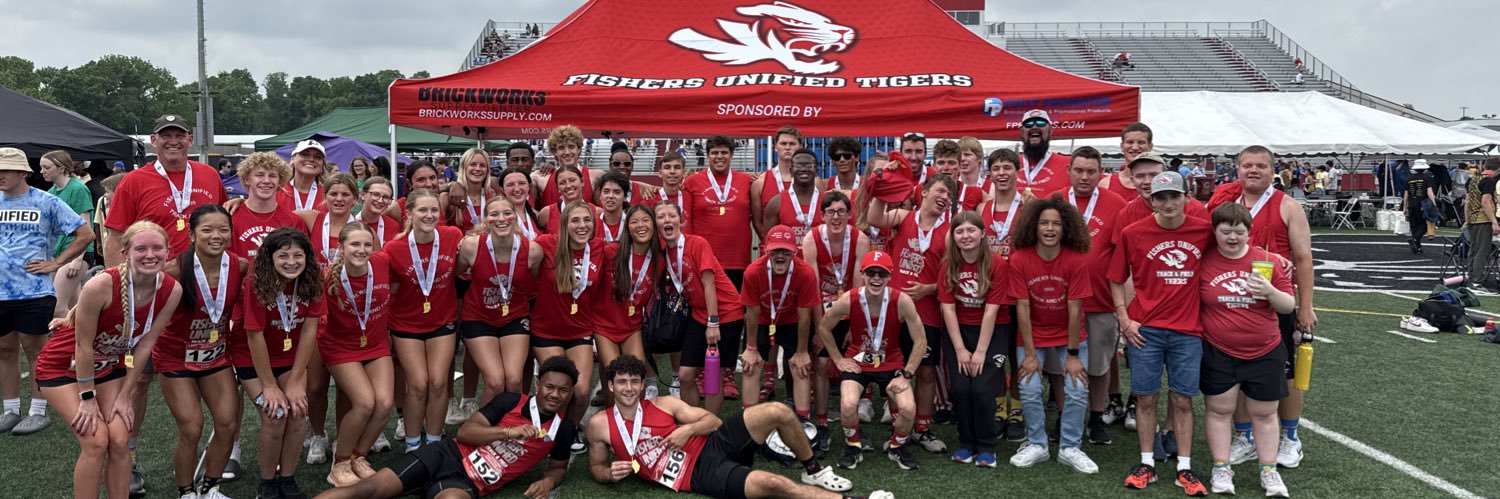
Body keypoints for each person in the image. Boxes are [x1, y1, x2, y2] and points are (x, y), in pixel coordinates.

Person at [34, 221, 181, 499]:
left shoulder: (171, 290)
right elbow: (83, 345)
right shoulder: (101, 284)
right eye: (141, 249)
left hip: (109, 368)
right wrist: (87, 398)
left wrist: (127, 395)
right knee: (96, 441)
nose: (150, 254)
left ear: (168, 251)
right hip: (62, 367)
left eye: (157, 248)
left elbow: (146, 344)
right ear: (125, 253)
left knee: (120, 438)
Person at [587, 355, 868, 498]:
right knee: (772, 483)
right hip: (697, 473)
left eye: (634, 381)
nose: (628, 388)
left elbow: (714, 421)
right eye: (621, 382)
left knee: (778, 410)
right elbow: (596, 467)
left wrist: (686, 430)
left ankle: (814, 470)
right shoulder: (600, 424)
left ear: (641, 384)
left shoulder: (663, 404)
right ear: (611, 386)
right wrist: (608, 474)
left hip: (712, 443)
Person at [315, 356, 582, 499]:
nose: (555, 394)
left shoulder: (565, 429)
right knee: (366, 491)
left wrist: (548, 481)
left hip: (466, 483)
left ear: (570, 393)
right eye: (549, 387)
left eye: (563, 390)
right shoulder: (510, 401)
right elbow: (466, 432)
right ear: (538, 384)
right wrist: (508, 432)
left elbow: (558, 468)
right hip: (444, 456)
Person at [1209, 146, 1317, 471]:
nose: (1253, 171)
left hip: (1276, 305)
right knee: (1238, 374)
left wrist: (1306, 306)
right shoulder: (1229, 207)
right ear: (1237, 171)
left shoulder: (1287, 205)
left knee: (1285, 374)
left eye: (1260, 166)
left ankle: (1290, 438)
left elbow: (1303, 258)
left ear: (1273, 171)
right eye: (1247, 166)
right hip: (1235, 304)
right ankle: (1246, 437)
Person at [1110, 171, 1213, 495]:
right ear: (1151, 200)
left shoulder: (1204, 230)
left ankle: (1184, 466)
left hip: (1188, 330)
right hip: (1146, 331)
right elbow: (1115, 277)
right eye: (1161, 197)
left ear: (1186, 197)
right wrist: (1124, 318)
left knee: (1183, 400)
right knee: (1146, 398)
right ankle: (1147, 463)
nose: (1169, 203)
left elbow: (1235, 248)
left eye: (1175, 196)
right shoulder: (1133, 232)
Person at [1198, 203, 1295, 498]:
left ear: (1248, 233)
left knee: (1265, 413)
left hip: (1264, 349)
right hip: (1219, 349)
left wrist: (1270, 292)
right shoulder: (1203, 260)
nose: (1232, 238)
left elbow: (1288, 305)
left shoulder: (1266, 260)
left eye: (1239, 232)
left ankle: (1269, 471)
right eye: (1225, 231)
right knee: (1219, 410)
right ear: (1214, 231)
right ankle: (1221, 467)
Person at [0, 147, 96, 437]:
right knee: (4, 350)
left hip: (34, 291)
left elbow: (85, 234)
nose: (1, 175)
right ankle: (10, 409)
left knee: (35, 351)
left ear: (22, 172)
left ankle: (38, 411)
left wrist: (56, 262)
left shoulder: (46, 201)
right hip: (1, 293)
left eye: (6, 169)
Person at [154, 205, 245, 499]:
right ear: (192, 234)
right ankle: (186, 492)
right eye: (207, 230)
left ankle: (210, 487)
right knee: (192, 427)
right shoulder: (173, 271)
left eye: (223, 229)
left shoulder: (240, 266)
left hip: (216, 356)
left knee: (228, 423)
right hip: (175, 358)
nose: (216, 236)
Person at [1005, 196, 1097, 474]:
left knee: (1077, 388)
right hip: (1033, 333)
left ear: (1065, 228)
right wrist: (1031, 355)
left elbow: (1075, 309)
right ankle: (1037, 444)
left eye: (1056, 223)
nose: (1049, 228)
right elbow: (1022, 309)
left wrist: (1072, 355)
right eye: (1044, 222)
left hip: (1069, 335)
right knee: (1029, 388)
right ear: (1033, 226)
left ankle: (1070, 447)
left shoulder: (1076, 260)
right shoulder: (1020, 259)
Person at [867, 170, 953, 454]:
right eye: (940, 191)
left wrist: (929, 289)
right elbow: (873, 218)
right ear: (924, 191)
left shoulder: (950, 230)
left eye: (949, 195)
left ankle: (924, 428)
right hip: (895, 309)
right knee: (895, 368)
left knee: (926, 371)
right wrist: (882, 186)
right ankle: (900, 425)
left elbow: (951, 274)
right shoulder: (903, 217)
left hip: (927, 311)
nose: (944, 198)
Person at [238, 228, 326, 499]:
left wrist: (298, 381)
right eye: (283, 255)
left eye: (298, 255)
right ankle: (267, 482)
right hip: (252, 358)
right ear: (270, 257)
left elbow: (309, 332)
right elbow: (254, 336)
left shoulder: (312, 279)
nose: (291, 262)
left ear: (307, 258)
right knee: (275, 414)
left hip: (289, 358)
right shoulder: (256, 282)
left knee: (299, 409)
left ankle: (287, 479)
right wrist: (269, 386)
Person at [820, 251, 927, 471]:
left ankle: (896, 446)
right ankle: (853, 445)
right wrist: (839, 359)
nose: (876, 278)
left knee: (908, 407)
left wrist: (907, 374)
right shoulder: (849, 298)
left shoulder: (902, 300)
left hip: (891, 360)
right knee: (848, 403)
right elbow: (823, 327)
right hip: (858, 360)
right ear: (862, 274)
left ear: (890, 277)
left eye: (882, 273)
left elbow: (920, 341)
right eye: (871, 272)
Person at [1055, 147, 1130, 447]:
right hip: (1059, 300)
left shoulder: (1116, 203)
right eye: (1079, 170)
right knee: (1060, 364)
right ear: (1069, 171)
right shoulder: (1057, 202)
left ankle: (1096, 416)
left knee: (1099, 365)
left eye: (1091, 171)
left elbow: (1123, 254)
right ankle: (1063, 416)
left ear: (1101, 173)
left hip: (1100, 299)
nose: (1085, 177)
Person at [384, 190, 463, 453]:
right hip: (406, 324)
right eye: (422, 210)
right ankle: (412, 444)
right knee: (417, 384)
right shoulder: (394, 248)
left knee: (439, 382)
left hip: (442, 320)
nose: (429, 215)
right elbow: (389, 288)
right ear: (410, 214)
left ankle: (434, 441)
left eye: (434, 211)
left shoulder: (452, 236)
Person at [320, 221, 397, 486]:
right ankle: (339, 463)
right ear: (341, 247)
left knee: (385, 403)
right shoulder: (327, 277)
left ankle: (358, 456)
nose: (362, 250)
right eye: (354, 244)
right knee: (365, 403)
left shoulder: (383, 261)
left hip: (375, 345)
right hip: (341, 348)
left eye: (367, 244)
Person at [655, 201, 746, 415]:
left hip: (725, 314)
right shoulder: (663, 251)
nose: (667, 220)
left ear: (682, 220)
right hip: (699, 313)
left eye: (671, 215)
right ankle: (695, 420)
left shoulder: (697, 243)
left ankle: (710, 425)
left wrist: (713, 323)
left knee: (714, 375)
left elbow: (709, 284)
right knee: (686, 375)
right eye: (661, 217)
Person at [531, 200, 607, 453]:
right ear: (564, 224)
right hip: (546, 331)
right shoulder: (547, 244)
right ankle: (551, 427)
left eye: (587, 220)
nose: (582, 225)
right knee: (560, 386)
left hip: (579, 331)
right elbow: (518, 250)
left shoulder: (599, 249)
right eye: (575, 220)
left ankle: (569, 428)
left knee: (582, 390)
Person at [936, 211, 1009, 468]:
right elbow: (948, 309)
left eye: (971, 230)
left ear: (982, 234)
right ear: (953, 237)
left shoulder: (997, 264)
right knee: (960, 389)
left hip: (992, 332)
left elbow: (992, 310)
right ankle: (966, 443)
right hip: (959, 331)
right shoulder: (948, 265)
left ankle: (987, 446)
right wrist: (959, 349)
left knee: (980, 389)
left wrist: (979, 351)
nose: (965, 236)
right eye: (959, 231)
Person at [104, 114, 227, 265]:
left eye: (180, 135)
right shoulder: (133, 181)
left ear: (190, 140)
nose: (173, 141)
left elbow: (225, 223)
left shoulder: (210, 175)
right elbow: (116, 237)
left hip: (207, 275)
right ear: (154, 140)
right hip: (153, 275)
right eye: (166, 136)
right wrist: (116, 282)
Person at [456, 196, 544, 404]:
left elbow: (535, 284)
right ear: (486, 220)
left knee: (513, 381)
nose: (502, 218)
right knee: (495, 382)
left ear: (515, 217)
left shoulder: (532, 251)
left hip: (514, 316)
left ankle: (511, 428)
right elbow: (455, 274)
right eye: (494, 214)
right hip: (478, 317)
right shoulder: (471, 246)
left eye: (507, 213)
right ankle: (484, 431)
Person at [800, 190, 869, 445]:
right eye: (831, 212)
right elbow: (813, 286)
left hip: (850, 307)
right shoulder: (811, 238)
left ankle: (855, 420)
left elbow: (859, 285)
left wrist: (855, 325)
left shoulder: (860, 238)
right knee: (820, 363)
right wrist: (820, 328)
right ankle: (821, 422)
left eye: (841, 211)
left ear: (850, 215)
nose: (836, 217)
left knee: (854, 361)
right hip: (823, 308)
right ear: (822, 215)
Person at [739, 225, 820, 415]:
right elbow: (751, 313)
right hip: (763, 321)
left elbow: (804, 315)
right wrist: (751, 349)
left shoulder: (805, 272)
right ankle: (749, 422)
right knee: (751, 365)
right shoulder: (753, 272)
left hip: (792, 321)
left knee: (800, 366)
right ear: (766, 250)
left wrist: (801, 352)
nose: (780, 255)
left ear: (795, 252)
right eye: (775, 250)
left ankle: (803, 423)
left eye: (786, 251)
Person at [597, 204, 661, 405]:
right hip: (603, 325)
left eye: (645, 221)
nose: (640, 226)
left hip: (632, 325)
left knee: (637, 373)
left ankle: (634, 421)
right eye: (634, 222)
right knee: (614, 372)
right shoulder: (612, 252)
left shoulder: (659, 259)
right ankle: (611, 419)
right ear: (627, 228)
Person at [684, 135, 755, 286]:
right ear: (708, 155)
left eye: (724, 152)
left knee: (736, 307)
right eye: (715, 153)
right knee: (705, 307)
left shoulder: (747, 181)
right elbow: (686, 219)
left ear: (731, 155)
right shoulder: (692, 182)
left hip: (737, 260)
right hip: (704, 258)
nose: (719, 157)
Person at [40, 150, 96, 318]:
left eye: (46, 167)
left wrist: (78, 259)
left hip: (76, 254)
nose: (41, 171)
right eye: (41, 167)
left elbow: (86, 225)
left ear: (61, 168)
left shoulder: (78, 189)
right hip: (59, 254)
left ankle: (64, 343)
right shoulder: (50, 193)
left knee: (58, 307)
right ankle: (83, 340)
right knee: (75, 307)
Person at [231, 152, 310, 259]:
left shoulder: (294, 221)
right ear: (247, 179)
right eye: (259, 175)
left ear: (280, 181)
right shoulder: (231, 216)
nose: (266, 181)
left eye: (272, 176)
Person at [752, 126, 804, 239]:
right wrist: (769, 244)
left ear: (800, 146)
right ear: (775, 147)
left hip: (803, 249)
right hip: (772, 249)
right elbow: (757, 221)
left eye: (792, 144)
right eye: (783, 143)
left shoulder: (811, 182)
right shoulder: (760, 182)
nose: (787, 147)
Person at [766, 149, 825, 242]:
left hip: (819, 257)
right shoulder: (775, 203)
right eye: (798, 165)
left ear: (816, 171)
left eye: (809, 165)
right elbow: (769, 242)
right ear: (791, 171)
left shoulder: (827, 202)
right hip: (789, 257)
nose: (803, 169)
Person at [537, 125, 599, 207]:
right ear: (555, 152)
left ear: (579, 149)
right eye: (561, 147)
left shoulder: (595, 177)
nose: (567, 152)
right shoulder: (541, 178)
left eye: (571, 146)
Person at [1015, 110, 1072, 195]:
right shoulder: (1010, 163)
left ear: (1050, 130)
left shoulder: (1069, 163)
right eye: (1028, 124)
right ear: (1022, 132)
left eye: (1040, 123)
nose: (1034, 127)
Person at [982, 149, 1024, 259]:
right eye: (996, 168)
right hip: (989, 274)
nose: (1001, 173)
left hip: (1017, 274)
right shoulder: (981, 209)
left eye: (1007, 168)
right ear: (990, 174)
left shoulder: (1028, 208)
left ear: (1017, 173)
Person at [446, 148, 500, 235]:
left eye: (482, 165)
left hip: (488, 247)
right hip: (460, 247)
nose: (478, 169)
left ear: (487, 170)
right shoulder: (451, 196)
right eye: (473, 164)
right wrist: (451, 185)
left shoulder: (492, 195)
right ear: (464, 167)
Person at [1463, 163, 1499, 283]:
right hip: (1483, 219)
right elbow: (1485, 203)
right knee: (1482, 252)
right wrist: (1494, 221)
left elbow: (1467, 201)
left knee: (1473, 250)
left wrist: (1467, 219)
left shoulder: (1472, 180)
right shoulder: (1489, 181)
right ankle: (1477, 280)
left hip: (1473, 219)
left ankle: (1472, 277)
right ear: (1497, 170)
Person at [1099, 123, 1152, 202]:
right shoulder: (1105, 184)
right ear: (1122, 146)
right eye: (1130, 142)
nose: (1135, 147)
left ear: (1150, 147)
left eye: (1141, 142)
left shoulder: (1159, 182)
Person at [535, 165, 592, 234]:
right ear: (558, 188)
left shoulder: (597, 212)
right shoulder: (547, 213)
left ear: (582, 181)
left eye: (572, 180)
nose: (568, 186)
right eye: (562, 183)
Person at [932, 140, 985, 211]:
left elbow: (997, 205)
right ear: (934, 166)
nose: (946, 168)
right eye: (941, 163)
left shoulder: (973, 192)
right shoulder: (922, 189)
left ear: (960, 166)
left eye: (951, 163)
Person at [282, 140, 330, 213]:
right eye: (305, 154)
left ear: (322, 164)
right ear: (293, 158)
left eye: (318, 157)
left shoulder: (329, 195)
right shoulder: (277, 191)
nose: (311, 159)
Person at [651, 152, 694, 234]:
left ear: (683, 173)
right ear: (660, 173)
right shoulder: (650, 198)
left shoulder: (690, 197)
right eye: (667, 167)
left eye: (677, 167)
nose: (672, 171)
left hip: (687, 245)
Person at [355, 176, 401, 250]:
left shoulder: (393, 226)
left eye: (386, 197)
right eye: (375, 194)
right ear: (363, 195)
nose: (380, 200)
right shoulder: (350, 222)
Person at [1406, 160, 1437, 253]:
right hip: (1423, 205)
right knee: (1423, 225)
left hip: (1411, 204)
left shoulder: (1409, 179)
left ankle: (1418, 246)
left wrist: (1404, 207)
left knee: (1414, 226)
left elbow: (1406, 194)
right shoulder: (1428, 179)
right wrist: (1434, 203)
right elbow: (1429, 191)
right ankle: (1415, 240)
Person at [594, 171, 633, 243]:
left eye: (617, 192)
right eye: (606, 191)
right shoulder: (592, 224)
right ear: (600, 195)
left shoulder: (632, 223)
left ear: (625, 197)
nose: (611, 196)